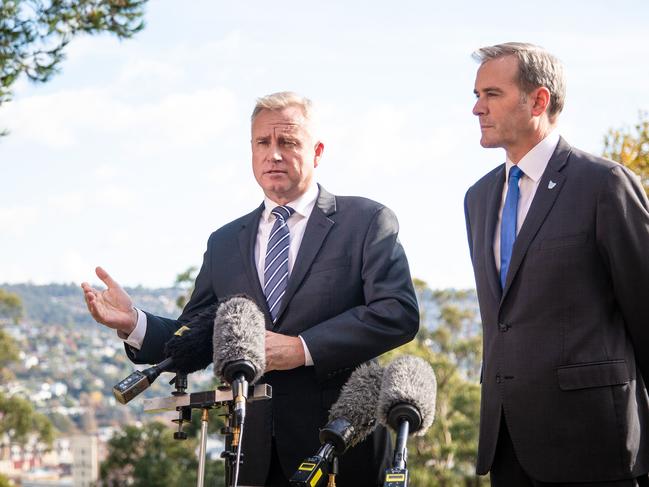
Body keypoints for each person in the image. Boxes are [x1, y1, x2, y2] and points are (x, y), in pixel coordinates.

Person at [82, 91, 419, 487]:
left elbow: (397, 313)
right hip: (251, 453)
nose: (273, 154)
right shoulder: (224, 241)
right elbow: (197, 334)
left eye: (288, 142)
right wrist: (135, 322)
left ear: (317, 151)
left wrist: (301, 349)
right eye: (263, 142)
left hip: (340, 449)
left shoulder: (366, 220)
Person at [465, 42, 649, 486]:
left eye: (492, 94)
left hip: (595, 445)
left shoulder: (604, 184)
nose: (476, 108)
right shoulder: (478, 198)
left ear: (538, 100)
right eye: (476, 95)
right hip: (507, 444)